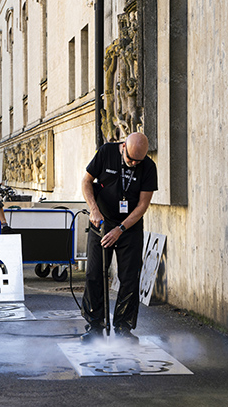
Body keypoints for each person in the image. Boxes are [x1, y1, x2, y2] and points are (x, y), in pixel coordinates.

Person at [80, 132, 158, 343]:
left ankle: (123, 327)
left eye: (137, 161)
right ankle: (95, 325)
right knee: (95, 274)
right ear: (123, 146)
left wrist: (120, 230)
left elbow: (142, 206)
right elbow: (86, 182)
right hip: (101, 224)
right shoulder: (106, 152)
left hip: (129, 229)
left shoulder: (148, 167)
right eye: (130, 159)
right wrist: (94, 210)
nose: (133, 163)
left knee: (129, 278)